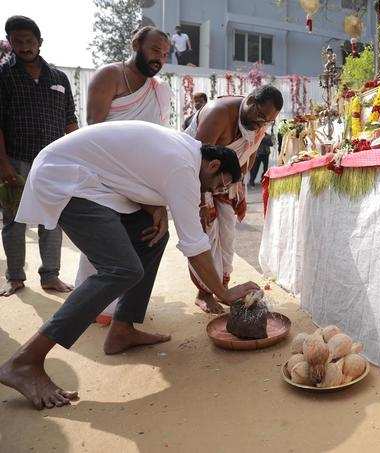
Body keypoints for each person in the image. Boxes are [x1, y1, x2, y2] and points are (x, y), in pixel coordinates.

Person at [0, 120, 260, 410]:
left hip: (92, 179)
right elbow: (194, 245)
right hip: (67, 179)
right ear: (212, 166)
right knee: (121, 269)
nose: (212, 192)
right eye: (218, 185)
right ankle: (25, 361)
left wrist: (155, 205)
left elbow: (136, 170)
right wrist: (223, 293)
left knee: (153, 235)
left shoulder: (188, 152)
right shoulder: (184, 169)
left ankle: (122, 329)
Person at [75, 25, 172, 326]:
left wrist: (156, 194)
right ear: (136, 44)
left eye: (165, 54)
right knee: (104, 245)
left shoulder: (161, 92)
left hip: (141, 182)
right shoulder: (110, 76)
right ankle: (94, 307)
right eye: (155, 50)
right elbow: (93, 131)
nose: (160, 59)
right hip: (105, 177)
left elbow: (159, 141)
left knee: (151, 236)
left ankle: (125, 315)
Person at [185, 85, 283, 313]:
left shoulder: (258, 122)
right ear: (249, 100)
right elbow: (197, 160)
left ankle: (223, 285)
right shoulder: (219, 113)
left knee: (227, 234)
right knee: (206, 234)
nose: (260, 125)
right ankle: (204, 292)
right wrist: (200, 200)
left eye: (266, 122)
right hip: (200, 179)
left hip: (228, 180)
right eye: (259, 117)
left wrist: (239, 186)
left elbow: (249, 152)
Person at [0, 16, 78, 297]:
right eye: (17, 41)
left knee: (52, 218)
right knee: (14, 221)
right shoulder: (3, 77)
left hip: (53, 162)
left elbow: (70, 119)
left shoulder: (58, 78)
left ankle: (50, 276)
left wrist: (77, 155)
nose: (24, 47)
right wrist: (4, 165)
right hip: (16, 161)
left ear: (39, 42)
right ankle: (15, 277)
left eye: (29, 41)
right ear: (10, 43)